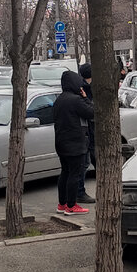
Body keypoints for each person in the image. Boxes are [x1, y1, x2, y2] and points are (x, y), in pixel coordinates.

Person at [54, 70, 94, 215]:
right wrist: (85, 98)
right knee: (74, 174)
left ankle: (62, 204)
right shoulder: (76, 100)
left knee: (65, 172)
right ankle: (71, 206)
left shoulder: (59, 100)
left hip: (61, 142)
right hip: (76, 143)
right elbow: (92, 112)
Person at [75, 63, 97, 204]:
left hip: (87, 132)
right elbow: (90, 110)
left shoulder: (81, 88)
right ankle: (79, 192)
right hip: (86, 132)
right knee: (84, 163)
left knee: (87, 162)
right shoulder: (85, 90)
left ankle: (78, 192)